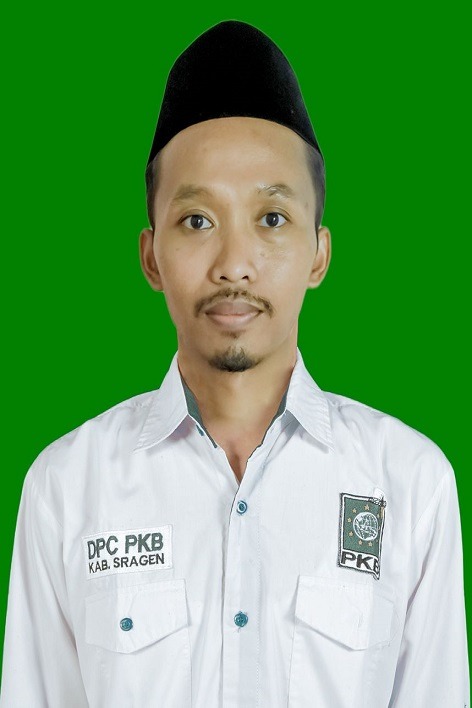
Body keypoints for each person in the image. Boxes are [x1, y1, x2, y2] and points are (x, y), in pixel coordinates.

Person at [0, 19, 468, 708]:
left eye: (272, 219)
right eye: (197, 220)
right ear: (151, 257)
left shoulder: (411, 483)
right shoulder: (67, 488)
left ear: (319, 254)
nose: (234, 265)